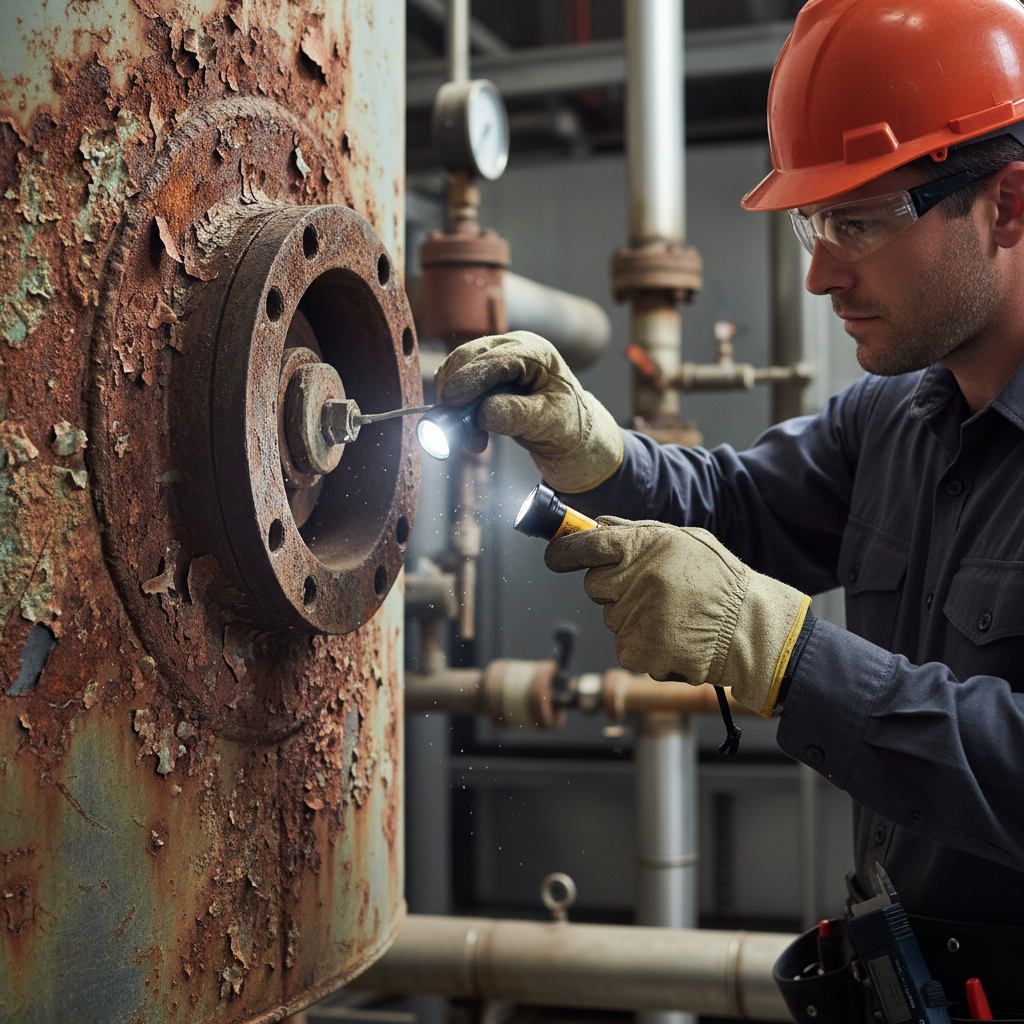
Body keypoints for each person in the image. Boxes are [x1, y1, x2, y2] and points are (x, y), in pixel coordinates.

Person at [434, 0, 1024, 1015]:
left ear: (1008, 202)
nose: (820, 271)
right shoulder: (892, 419)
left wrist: (788, 654)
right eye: (812, 222)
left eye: (860, 220)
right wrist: (596, 446)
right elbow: (730, 504)